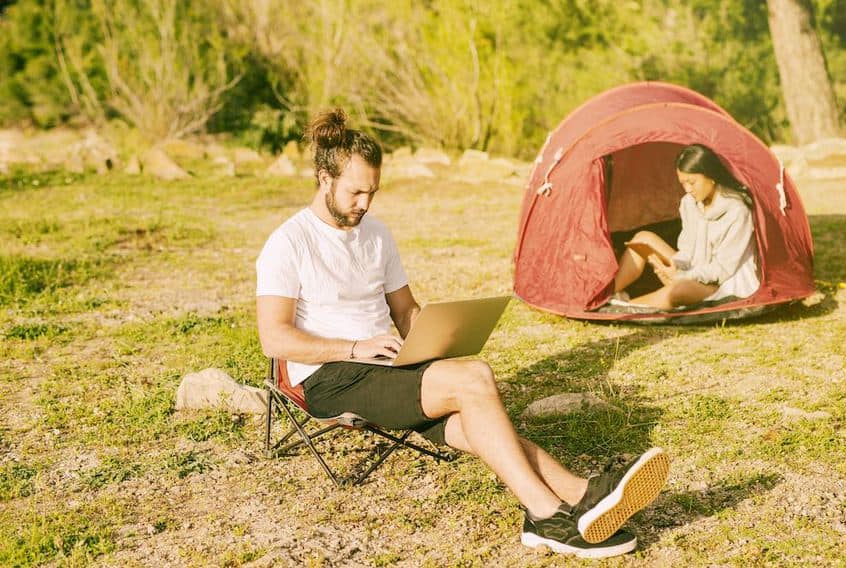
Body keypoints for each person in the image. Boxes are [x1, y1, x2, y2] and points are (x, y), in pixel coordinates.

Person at [255, 108, 669, 558]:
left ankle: (579, 493)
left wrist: (434, 338)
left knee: (474, 420)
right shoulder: (289, 242)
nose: (365, 203)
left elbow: (405, 310)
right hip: (331, 377)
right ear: (323, 178)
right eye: (355, 192)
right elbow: (274, 338)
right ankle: (547, 516)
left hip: (387, 365)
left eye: (372, 192)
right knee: (474, 380)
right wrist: (355, 346)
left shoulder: (376, 234)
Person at [610, 143, 760, 310]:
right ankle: (606, 296)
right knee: (643, 238)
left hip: (720, 284)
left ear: (711, 175)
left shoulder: (737, 210)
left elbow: (722, 270)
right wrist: (674, 267)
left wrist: (683, 277)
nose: (688, 189)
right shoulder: (689, 203)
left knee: (678, 292)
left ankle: (624, 307)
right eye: (683, 184)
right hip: (692, 272)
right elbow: (687, 250)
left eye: (692, 182)